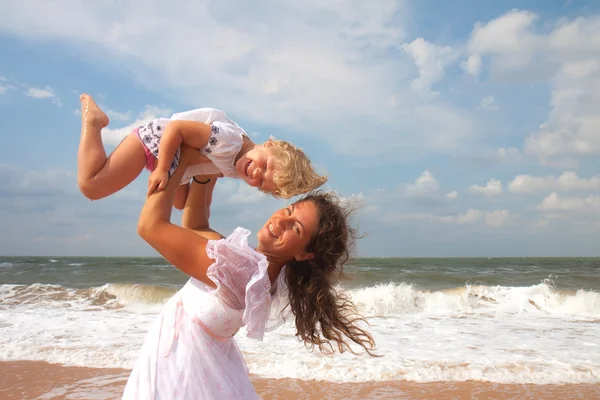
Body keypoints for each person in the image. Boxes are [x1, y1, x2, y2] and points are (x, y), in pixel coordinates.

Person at [119, 144, 376, 399]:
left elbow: (149, 226)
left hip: (179, 373)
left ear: (304, 254)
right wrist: (205, 173)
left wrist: (177, 163)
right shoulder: (263, 276)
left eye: (295, 228)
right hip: (193, 369)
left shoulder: (240, 271)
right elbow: (197, 226)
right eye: (288, 211)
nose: (280, 221)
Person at [76, 94, 327, 206]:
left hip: (176, 160)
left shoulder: (241, 163)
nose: (256, 173)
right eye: (266, 166)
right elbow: (176, 129)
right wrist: (162, 169)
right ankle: (94, 121)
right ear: (269, 145)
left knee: (181, 204)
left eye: (261, 183)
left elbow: (214, 169)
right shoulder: (228, 141)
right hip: (155, 142)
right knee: (92, 187)